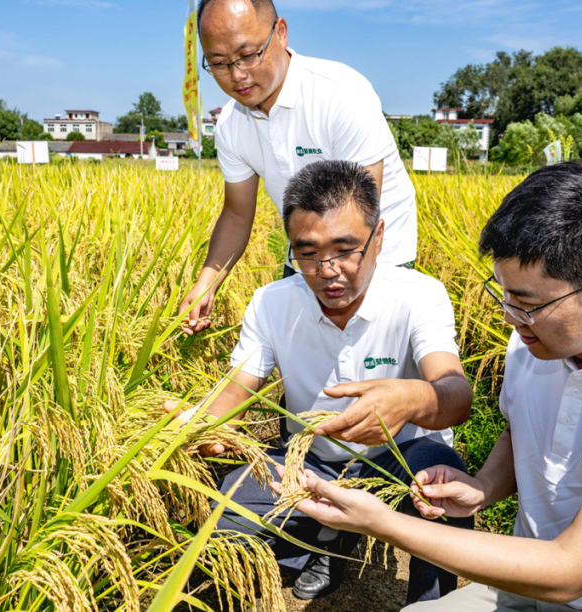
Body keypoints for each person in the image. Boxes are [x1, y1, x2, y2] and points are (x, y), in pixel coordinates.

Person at [275, 161, 582, 611]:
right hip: (519, 589)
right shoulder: (536, 342)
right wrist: (482, 487)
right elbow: (523, 427)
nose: (508, 317)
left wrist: (380, 522)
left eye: (526, 302)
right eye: (503, 293)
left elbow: (570, 571)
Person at [169, 160, 473, 603]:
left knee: (443, 483)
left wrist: (411, 397)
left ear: (379, 238)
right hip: (309, 462)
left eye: (346, 249)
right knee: (222, 509)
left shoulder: (419, 295)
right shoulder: (272, 303)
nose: (327, 270)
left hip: (401, 461)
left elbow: (456, 395)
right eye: (307, 253)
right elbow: (234, 394)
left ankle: (429, 603)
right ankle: (329, 537)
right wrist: (199, 427)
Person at [179, 0, 418, 335]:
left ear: (281, 33)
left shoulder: (340, 94)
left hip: (375, 248)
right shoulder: (231, 124)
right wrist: (208, 282)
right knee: (300, 366)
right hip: (306, 251)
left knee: (370, 367)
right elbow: (236, 214)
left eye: (248, 55)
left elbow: (361, 210)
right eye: (219, 63)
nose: (237, 75)